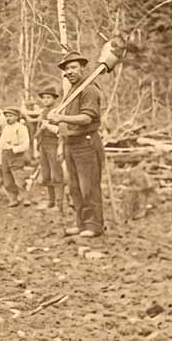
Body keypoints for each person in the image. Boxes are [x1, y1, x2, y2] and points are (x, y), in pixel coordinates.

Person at [48, 51, 104, 238]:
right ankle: (81, 224)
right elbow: (66, 122)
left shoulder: (88, 89)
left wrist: (61, 117)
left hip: (85, 144)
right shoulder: (72, 91)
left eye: (73, 67)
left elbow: (87, 118)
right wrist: (61, 141)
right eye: (66, 69)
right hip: (70, 143)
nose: (69, 72)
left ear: (82, 68)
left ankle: (94, 226)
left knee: (88, 187)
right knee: (75, 187)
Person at [32, 87, 64, 210]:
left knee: (56, 174)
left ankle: (59, 203)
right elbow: (37, 131)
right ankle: (50, 201)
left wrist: (48, 125)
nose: (45, 100)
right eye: (44, 98)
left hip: (54, 145)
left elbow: (61, 131)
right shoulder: (42, 112)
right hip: (43, 145)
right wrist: (37, 148)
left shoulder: (58, 112)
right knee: (46, 174)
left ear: (54, 99)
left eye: (48, 97)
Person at [0, 107, 30, 207]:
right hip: (5, 155)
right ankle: (13, 198)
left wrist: (15, 149)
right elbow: (0, 144)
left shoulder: (21, 128)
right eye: (6, 116)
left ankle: (25, 198)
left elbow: (26, 144)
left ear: (16, 117)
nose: (8, 118)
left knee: (19, 178)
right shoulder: (5, 128)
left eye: (11, 116)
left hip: (16, 155)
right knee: (7, 179)